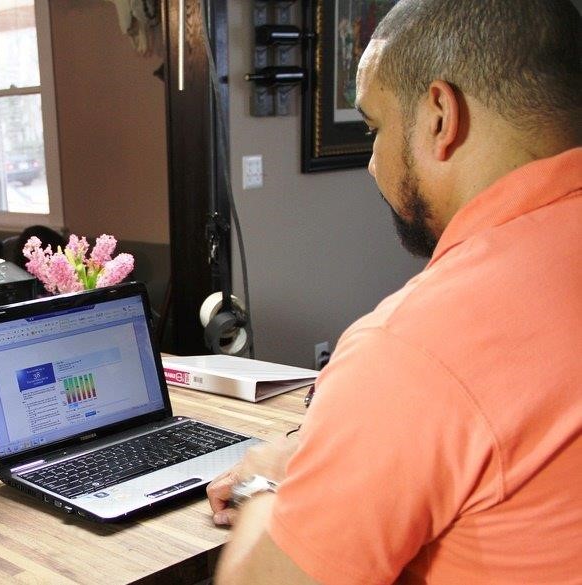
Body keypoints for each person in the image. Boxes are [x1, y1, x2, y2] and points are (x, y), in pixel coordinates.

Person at [208, 1, 582, 583]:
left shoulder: (418, 343)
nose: (371, 162)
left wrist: (265, 481)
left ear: (440, 116)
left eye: (374, 129)